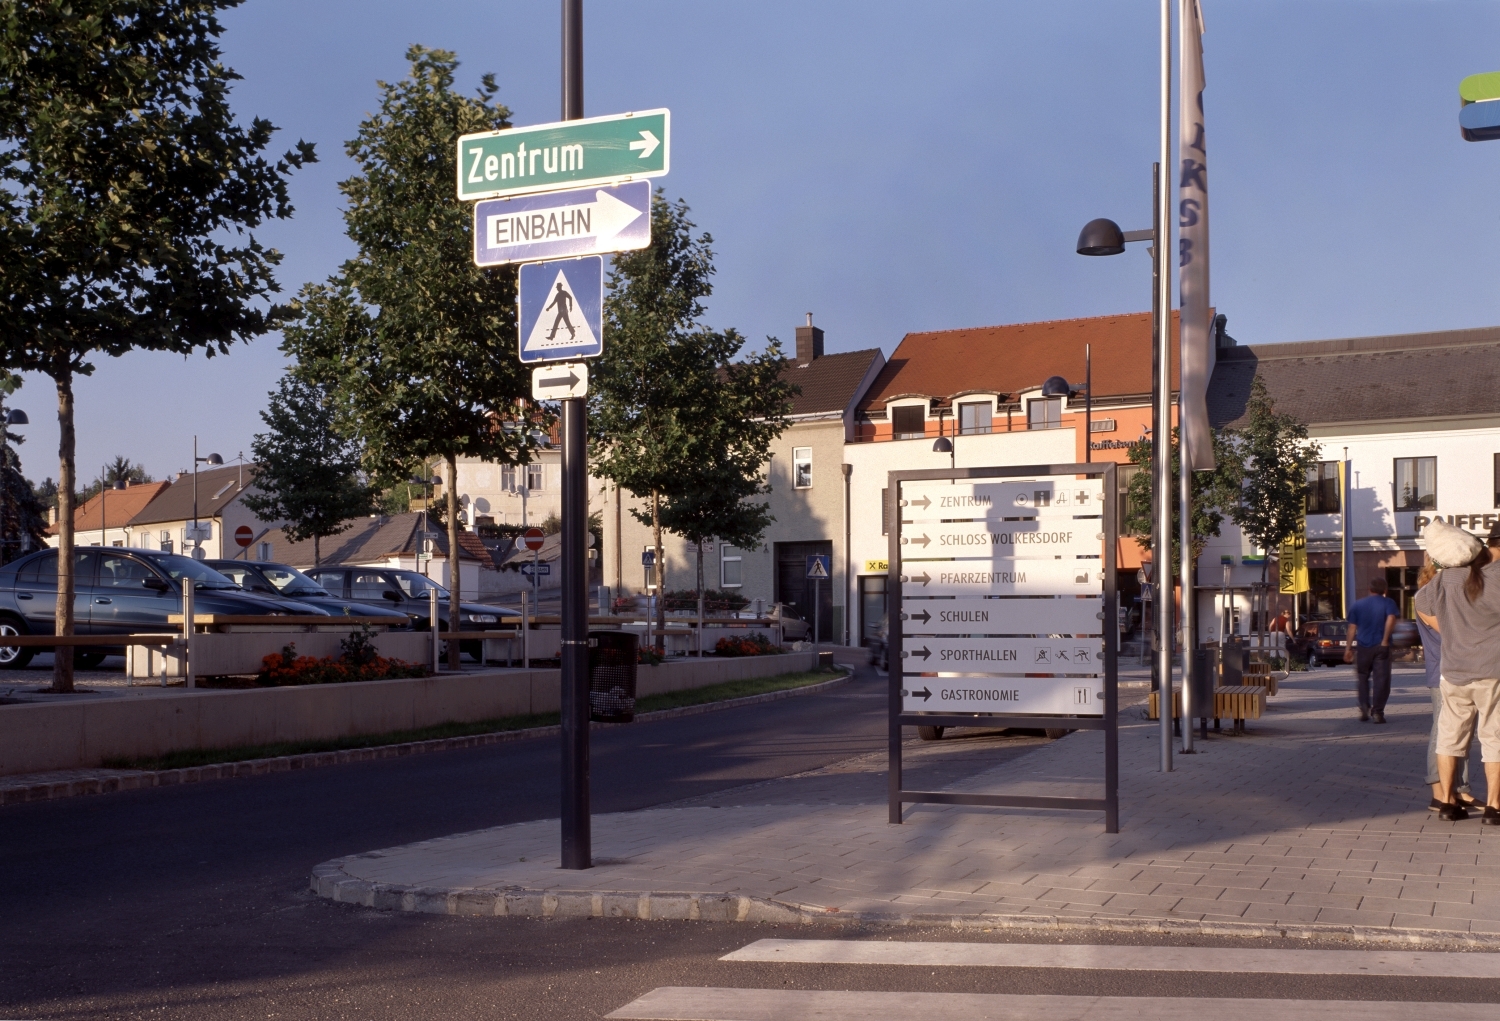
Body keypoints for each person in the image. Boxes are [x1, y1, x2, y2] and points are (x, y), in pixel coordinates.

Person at [1416, 519, 1500, 824]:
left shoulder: (1446, 578)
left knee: (1449, 738)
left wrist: (1449, 632)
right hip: (1492, 670)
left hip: (1453, 672)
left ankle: (1447, 803)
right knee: (1494, 737)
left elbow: (1420, 602)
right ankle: (1493, 807)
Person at [1415, 559, 1480, 811]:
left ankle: (1460, 789)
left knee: (1463, 731)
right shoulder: (1426, 597)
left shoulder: (1451, 595)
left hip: (1463, 669)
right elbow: (1451, 631)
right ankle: (1439, 792)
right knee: (1442, 731)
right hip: (1442, 671)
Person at [1344, 577, 1399, 723]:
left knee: (1362, 677)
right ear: (1385, 590)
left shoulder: (1358, 604)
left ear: (1369, 589)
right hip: (1382, 646)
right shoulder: (1388, 603)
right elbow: (1391, 618)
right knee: (1381, 680)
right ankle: (1378, 712)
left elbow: (1352, 627)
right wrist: (1385, 639)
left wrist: (1348, 649)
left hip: (1363, 647)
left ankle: (1364, 705)